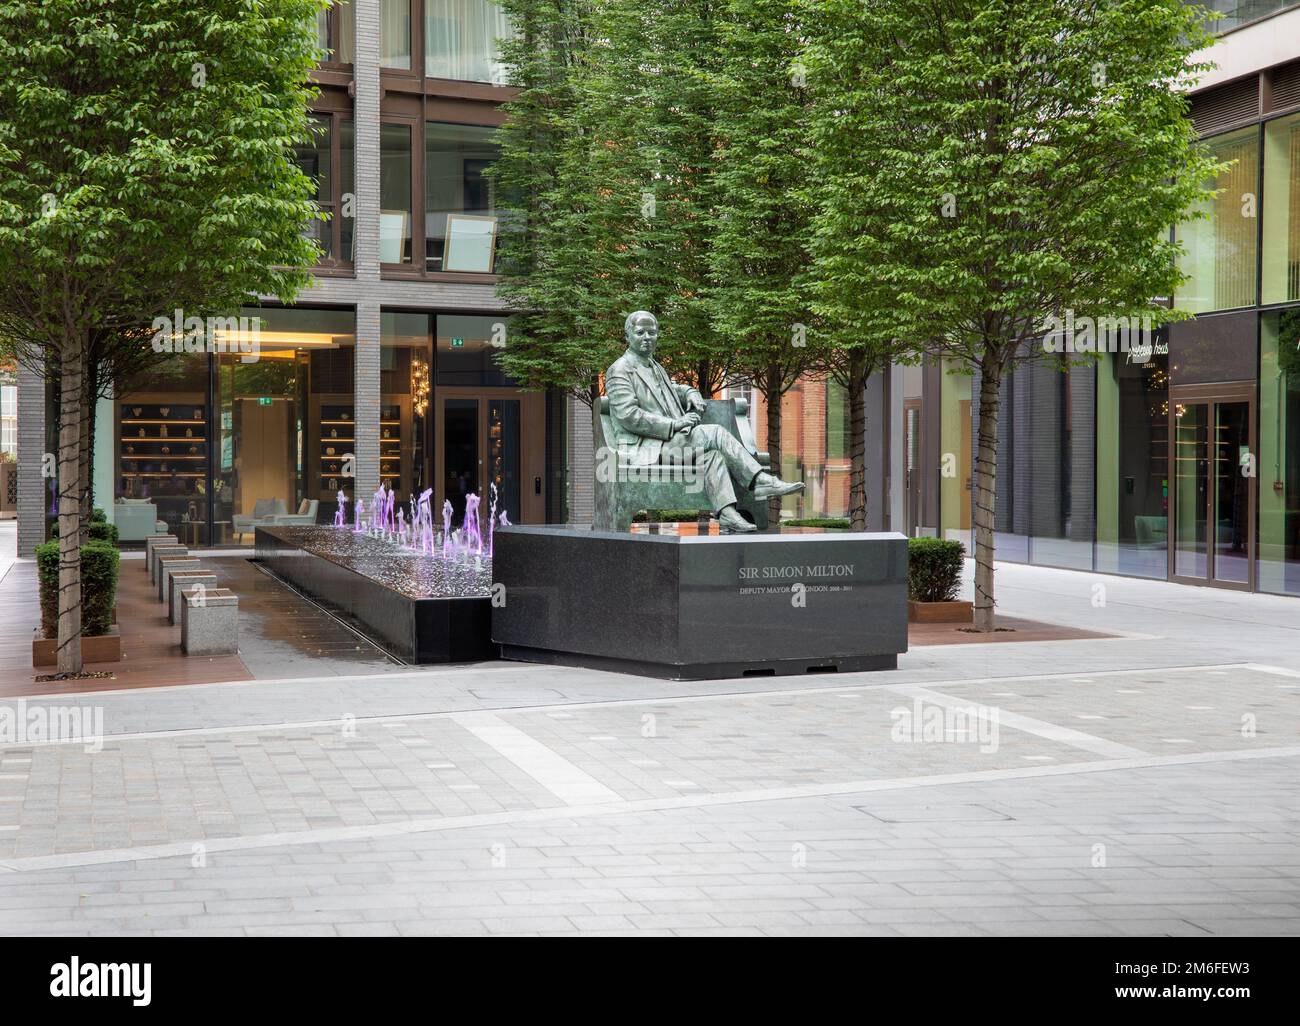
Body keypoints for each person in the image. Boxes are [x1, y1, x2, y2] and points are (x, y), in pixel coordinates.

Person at [604, 310, 803, 533]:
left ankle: (727, 514)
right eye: (640, 332)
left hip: (672, 443)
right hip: (649, 445)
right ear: (628, 335)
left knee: (713, 457)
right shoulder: (619, 370)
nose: (647, 337)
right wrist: (675, 425)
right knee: (715, 433)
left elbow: (673, 390)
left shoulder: (655, 366)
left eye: (652, 332)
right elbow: (629, 416)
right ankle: (760, 481)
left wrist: (691, 392)